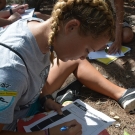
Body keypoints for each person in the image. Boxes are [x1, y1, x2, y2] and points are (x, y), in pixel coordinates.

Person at [0, 0, 135, 134]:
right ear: (71, 26)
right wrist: (48, 133)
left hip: (25, 102)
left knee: (73, 61)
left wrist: (44, 98)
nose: (84, 57)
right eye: (87, 50)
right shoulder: (11, 71)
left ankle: (122, 94)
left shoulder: (39, 30)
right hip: (12, 124)